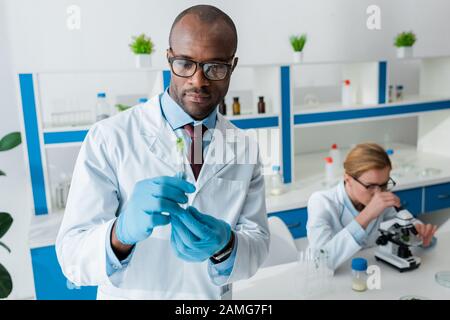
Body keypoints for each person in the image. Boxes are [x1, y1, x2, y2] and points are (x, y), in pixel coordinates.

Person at [56, 5, 269, 299]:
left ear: (232, 66)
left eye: (215, 68)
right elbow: (71, 256)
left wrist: (227, 245)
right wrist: (121, 232)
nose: (198, 81)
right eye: (185, 64)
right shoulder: (109, 138)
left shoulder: (244, 146)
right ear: (169, 58)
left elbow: (258, 244)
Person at [307, 142, 437, 271]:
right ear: (348, 179)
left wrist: (422, 236)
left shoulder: (382, 199)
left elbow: (405, 227)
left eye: (384, 185)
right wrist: (367, 215)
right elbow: (320, 263)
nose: (379, 193)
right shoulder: (321, 202)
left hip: (374, 272)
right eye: (370, 186)